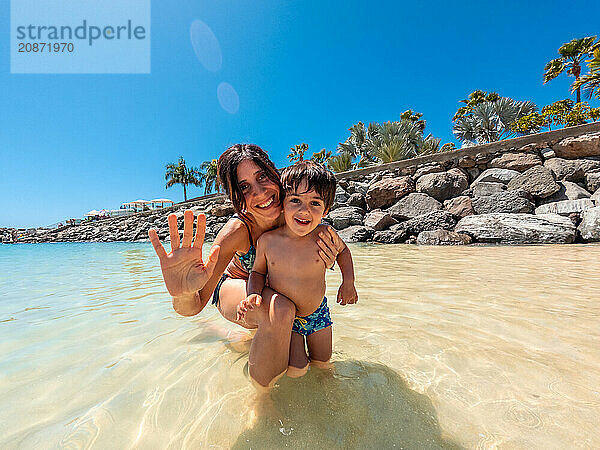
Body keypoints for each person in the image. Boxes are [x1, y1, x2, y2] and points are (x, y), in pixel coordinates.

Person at [148, 144, 346, 388]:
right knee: (280, 311)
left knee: (278, 323)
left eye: (262, 176)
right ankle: (261, 403)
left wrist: (330, 259)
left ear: (276, 173)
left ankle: (233, 336)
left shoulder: (297, 207)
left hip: (274, 289)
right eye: (244, 187)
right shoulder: (237, 231)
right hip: (237, 287)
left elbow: (326, 253)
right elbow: (194, 305)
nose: (261, 192)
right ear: (236, 196)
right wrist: (183, 292)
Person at [237, 160, 358, 377]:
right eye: (295, 200)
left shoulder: (324, 234)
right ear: (282, 203)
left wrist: (348, 282)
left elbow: (343, 252)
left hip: (317, 312)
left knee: (323, 362)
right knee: (296, 369)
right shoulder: (268, 241)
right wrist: (253, 295)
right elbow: (257, 273)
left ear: (326, 209)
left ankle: (326, 396)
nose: (304, 211)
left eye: (315, 204)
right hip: (288, 321)